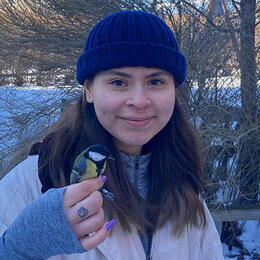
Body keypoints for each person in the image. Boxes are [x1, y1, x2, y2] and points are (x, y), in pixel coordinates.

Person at [0, 10, 224, 260]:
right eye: (119, 82)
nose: (139, 101)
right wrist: (19, 249)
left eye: (156, 82)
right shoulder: (36, 179)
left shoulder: (185, 180)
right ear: (88, 90)